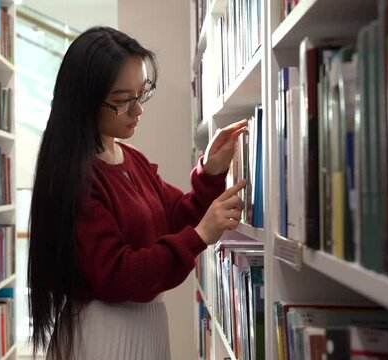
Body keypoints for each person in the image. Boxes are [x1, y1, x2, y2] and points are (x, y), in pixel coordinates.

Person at [28, 26, 247, 360]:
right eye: (122, 102)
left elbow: (176, 217)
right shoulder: (76, 178)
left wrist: (211, 173)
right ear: (85, 102)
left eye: (142, 93)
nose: (138, 110)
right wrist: (201, 235)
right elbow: (118, 275)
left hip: (144, 327)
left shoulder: (132, 160)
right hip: (104, 336)